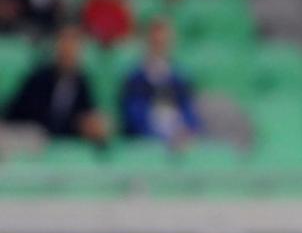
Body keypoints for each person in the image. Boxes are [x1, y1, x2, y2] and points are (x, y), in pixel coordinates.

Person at [4, 24, 109, 144]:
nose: (68, 53)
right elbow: (24, 114)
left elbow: (86, 113)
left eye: (73, 50)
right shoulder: (38, 79)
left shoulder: (82, 81)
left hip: (63, 142)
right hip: (31, 136)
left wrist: (91, 124)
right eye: (64, 49)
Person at [120, 17, 200, 145]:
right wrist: (159, 138)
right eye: (155, 42)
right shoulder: (135, 78)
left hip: (178, 138)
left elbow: (189, 110)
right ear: (147, 42)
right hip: (147, 143)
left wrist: (188, 131)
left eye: (163, 42)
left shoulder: (181, 77)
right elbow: (135, 115)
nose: (159, 46)